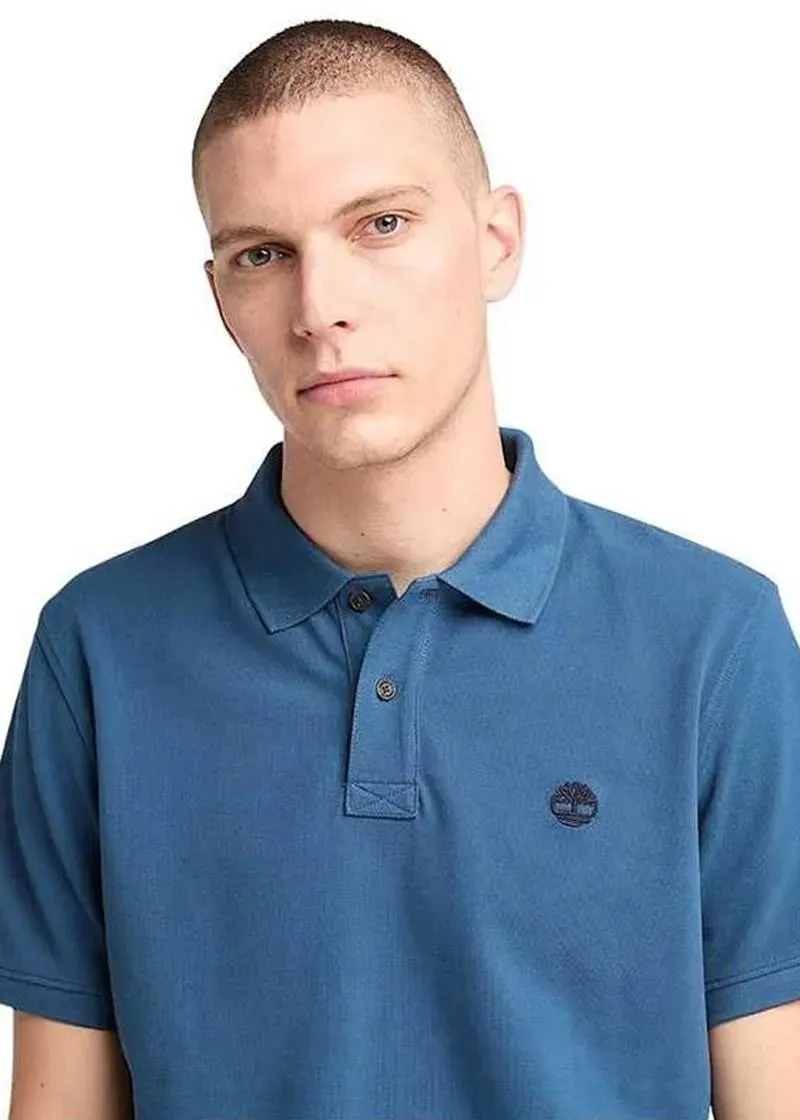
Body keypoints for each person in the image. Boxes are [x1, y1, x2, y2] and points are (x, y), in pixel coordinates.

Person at [1, 17, 799, 1120]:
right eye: (262, 253)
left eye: (379, 224)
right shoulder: (99, 649)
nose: (319, 307)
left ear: (495, 241)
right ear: (221, 297)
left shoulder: (714, 641)